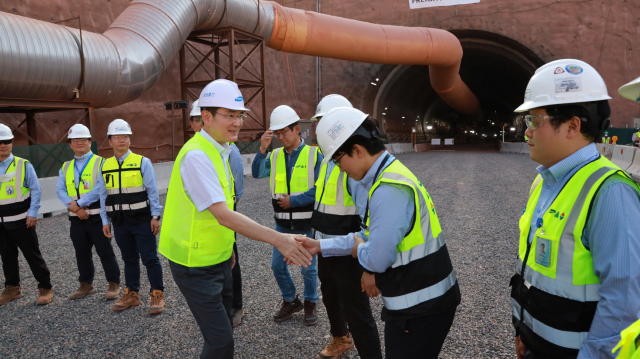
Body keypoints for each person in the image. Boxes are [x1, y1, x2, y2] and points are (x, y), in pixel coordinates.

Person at [158, 79, 312, 359]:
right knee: (220, 343)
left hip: (218, 258)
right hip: (194, 263)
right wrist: (279, 239)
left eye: (239, 115)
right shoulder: (197, 156)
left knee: (225, 329)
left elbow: (222, 209)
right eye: (229, 115)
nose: (237, 122)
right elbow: (223, 214)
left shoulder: (222, 151)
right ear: (206, 117)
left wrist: (228, 248)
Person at [297, 107, 461, 359]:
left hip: (421, 307)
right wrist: (319, 246)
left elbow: (377, 257)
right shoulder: (385, 177)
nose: (340, 169)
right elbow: (367, 236)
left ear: (358, 151)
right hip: (419, 301)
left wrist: (359, 250)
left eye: (339, 160)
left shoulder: (388, 188)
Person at [510, 59, 640, 359]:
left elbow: (625, 302)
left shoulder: (610, 193)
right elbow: (534, 270)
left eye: (534, 121)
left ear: (572, 126)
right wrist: (524, 331)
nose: (526, 132)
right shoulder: (544, 181)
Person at [310, 95, 382, 359]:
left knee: (357, 311)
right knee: (330, 296)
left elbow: (370, 221)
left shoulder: (353, 165)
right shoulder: (328, 159)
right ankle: (340, 339)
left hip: (348, 252)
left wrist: (368, 267)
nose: (318, 128)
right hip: (326, 248)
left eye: (321, 122)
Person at [252, 104, 323, 326]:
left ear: (296, 130)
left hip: (306, 225)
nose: (281, 137)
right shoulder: (273, 156)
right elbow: (256, 172)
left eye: (285, 131)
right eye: (278, 133)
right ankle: (291, 300)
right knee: (277, 265)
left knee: (308, 268)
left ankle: (311, 302)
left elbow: (320, 188)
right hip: (282, 225)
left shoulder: (314, 155)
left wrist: (294, 200)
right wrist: (262, 148)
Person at [100, 119, 165, 314]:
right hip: (120, 222)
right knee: (129, 259)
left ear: (130, 139)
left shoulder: (142, 162)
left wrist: (155, 216)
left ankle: (157, 294)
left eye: (125, 136)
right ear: (109, 141)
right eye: (117, 137)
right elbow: (104, 195)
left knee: (150, 258)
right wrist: (105, 221)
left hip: (142, 220)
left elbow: (152, 191)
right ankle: (132, 294)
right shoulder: (105, 165)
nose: (122, 140)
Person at [192, 98, 247, 327]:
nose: (197, 125)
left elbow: (237, 188)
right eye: (194, 120)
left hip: (225, 218)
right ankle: (219, 310)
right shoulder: (195, 153)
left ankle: (237, 306)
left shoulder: (230, 151)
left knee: (231, 265)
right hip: (207, 225)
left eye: (238, 117)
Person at [56, 124, 120, 300]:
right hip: (76, 218)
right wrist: (74, 207)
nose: (79, 142)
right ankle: (86, 284)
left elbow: (101, 186)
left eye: (83, 139)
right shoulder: (66, 166)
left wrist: (80, 203)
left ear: (90, 142)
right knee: (81, 253)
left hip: (97, 216)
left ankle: (114, 284)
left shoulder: (101, 162)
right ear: (69, 144)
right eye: (75, 140)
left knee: (105, 252)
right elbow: (60, 189)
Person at [0, 123, 53, 306]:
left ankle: (45, 288)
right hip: (2, 223)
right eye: (0, 142)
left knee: (32, 255)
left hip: (23, 220)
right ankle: (12, 288)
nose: (3, 145)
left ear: (11, 143)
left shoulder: (23, 165)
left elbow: (35, 191)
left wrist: (32, 213)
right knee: (7, 257)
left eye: (6, 141)